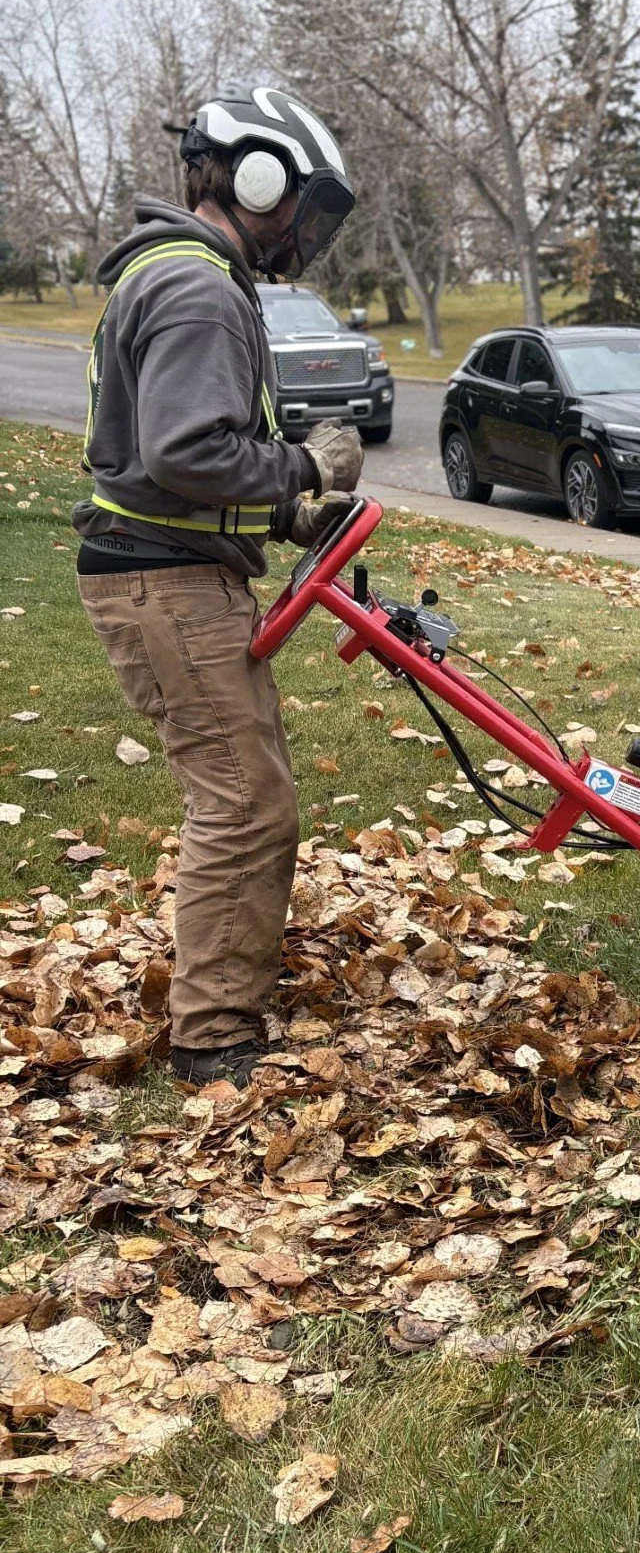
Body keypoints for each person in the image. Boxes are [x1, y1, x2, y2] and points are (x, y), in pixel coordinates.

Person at [75, 85, 364, 1088]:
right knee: (244, 806)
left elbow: (184, 457)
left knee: (250, 795)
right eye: (299, 205)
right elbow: (189, 449)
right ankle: (213, 1040)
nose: (301, 231)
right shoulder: (199, 289)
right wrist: (305, 474)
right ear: (256, 178)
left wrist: (284, 508)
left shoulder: (181, 276)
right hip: (165, 586)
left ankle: (221, 997)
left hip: (170, 573)